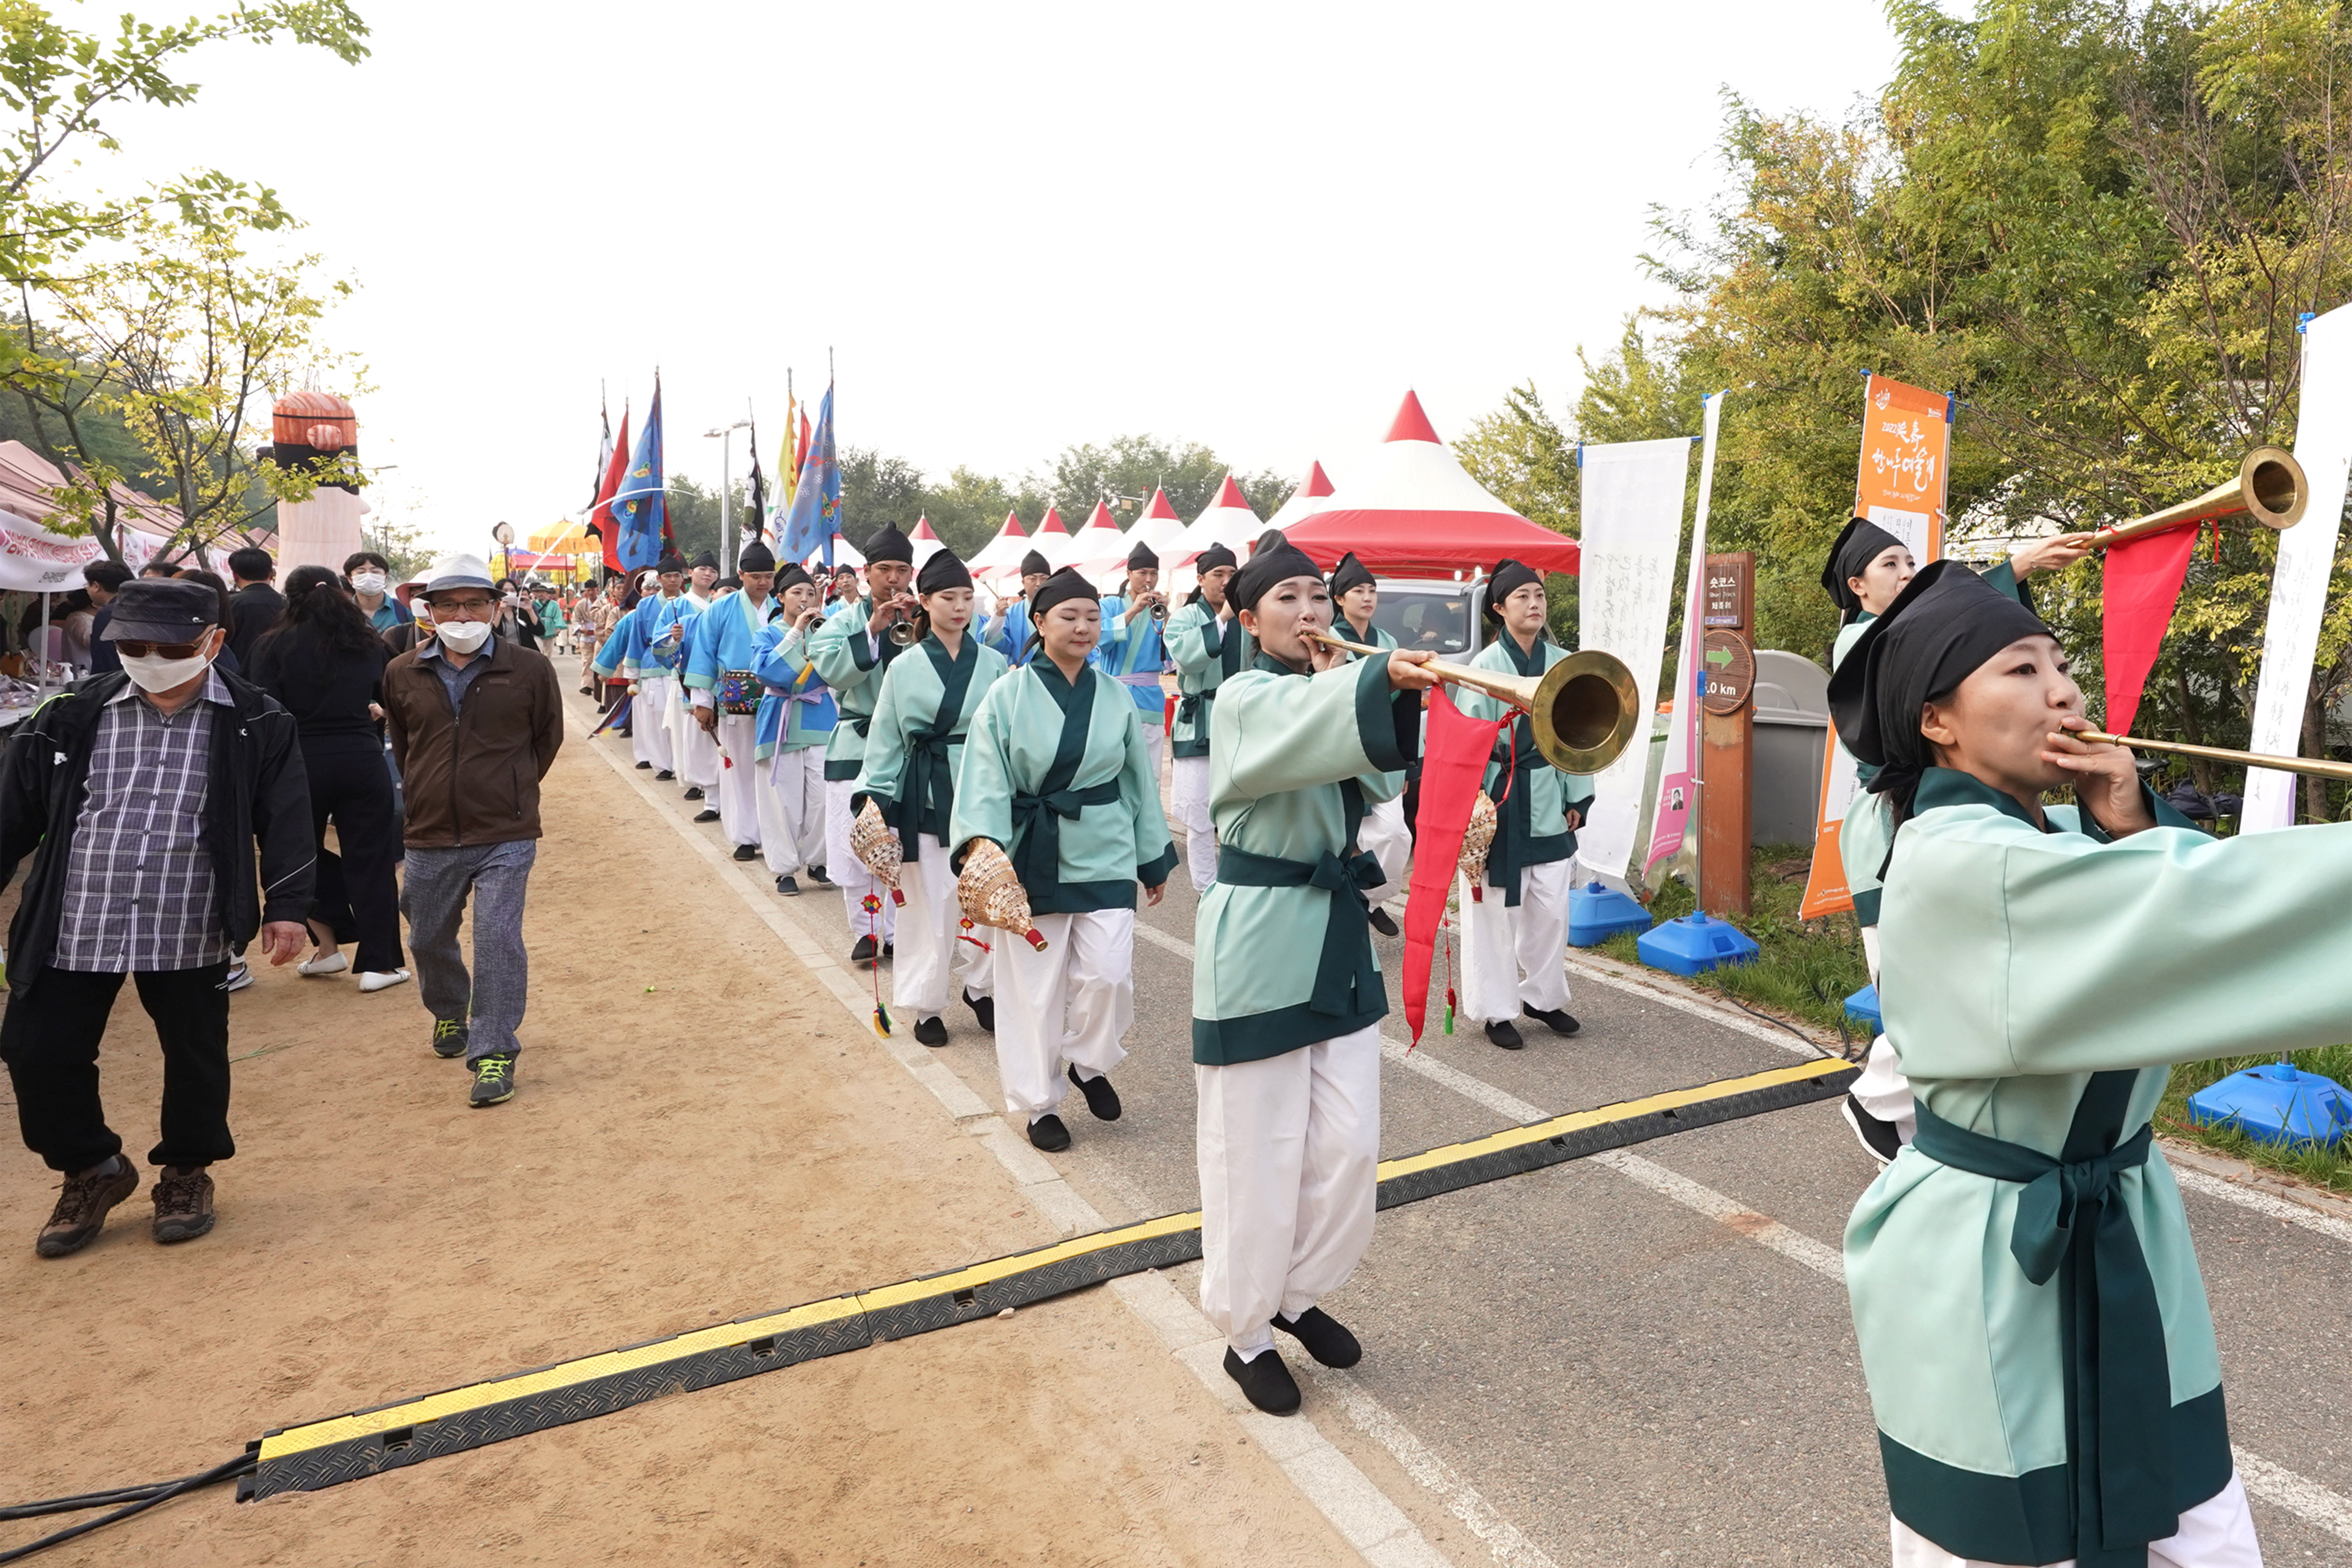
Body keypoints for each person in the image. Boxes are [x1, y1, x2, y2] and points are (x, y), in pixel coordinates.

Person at [1823, 558, 2337, 1568]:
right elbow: (2204, 911)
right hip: (1993, 1256)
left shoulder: (2045, 833)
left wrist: (2128, 814)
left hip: (2118, 1224)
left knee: (2191, 1509)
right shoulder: (1969, 858)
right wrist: (2132, 834)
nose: (2063, 692)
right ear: (1937, 720)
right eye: (2020, 671)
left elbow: (2149, 890)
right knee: (2016, 1537)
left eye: (2060, 666)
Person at [1190, 534, 1436, 1415]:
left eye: (1318, 598)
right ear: (1248, 620)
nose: (1309, 614)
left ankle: (1294, 1293)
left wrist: (1366, 685)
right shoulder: (1242, 697)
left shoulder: (1325, 690)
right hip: (1258, 937)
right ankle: (1246, 1333)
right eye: (1286, 600)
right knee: (1253, 1150)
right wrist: (1360, 684)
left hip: (1334, 931)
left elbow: (1379, 790)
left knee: (1349, 1145)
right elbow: (1300, 732)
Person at [0, 578, 313, 1256]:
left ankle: (187, 1173)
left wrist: (288, 907)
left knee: (194, 1054)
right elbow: (11, 811)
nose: (150, 660)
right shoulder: (68, 715)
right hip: (76, 916)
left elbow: (287, 817)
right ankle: (91, 1168)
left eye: (170, 648)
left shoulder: (257, 720)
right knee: (35, 1048)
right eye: (133, 646)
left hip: (189, 916)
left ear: (213, 642)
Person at [1819, 517, 2094, 1163]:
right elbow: (1948, 632)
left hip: (1931, 819)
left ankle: (1899, 1107)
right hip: (1895, 826)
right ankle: (1883, 1105)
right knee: (1918, 989)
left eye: (1909, 561)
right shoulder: (1862, 642)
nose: (1906, 572)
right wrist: (2017, 567)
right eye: (1890, 565)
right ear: (1857, 586)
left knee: (1955, 989)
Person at [950, 567, 1175, 1148]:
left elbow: (1138, 780)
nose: (1083, 627)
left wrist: (1152, 857)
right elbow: (983, 778)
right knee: (1034, 989)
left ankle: (1089, 1061)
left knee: (1109, 973)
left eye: (1092, 617)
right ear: (1040, 621)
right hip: (1033, 851)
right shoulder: (1007, 694)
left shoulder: (1116, 696)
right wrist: (983, 848)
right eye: (1069, 616)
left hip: (1105, 846)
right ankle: (1039, 1104)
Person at [381, 554, 563, 1108]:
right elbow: (406, 745)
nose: (463, 615)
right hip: (430, 830)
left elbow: (546, 739)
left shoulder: (528, 669)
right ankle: (448, 1010)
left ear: (495, 607)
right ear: (430, 612)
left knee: (498, 938)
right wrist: (429, 791)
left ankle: (493, 1050)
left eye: (474, 604)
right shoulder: (402, 671)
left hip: (506, 831)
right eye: (449, 605)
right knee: (426, 936)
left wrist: (509, 789)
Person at [854, 548, 1006, 1046]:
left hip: (982, 794)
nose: (960, 607)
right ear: (924, 602)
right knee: (928, 905)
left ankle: (981, 987)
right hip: (925, 795)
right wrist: (874, 799)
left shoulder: (996, 663)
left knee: (990, 897)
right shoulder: (904, 667)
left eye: (967, 597)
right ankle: (926, 1005)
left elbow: (1009, 736)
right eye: (948, 598)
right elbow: (885, 738)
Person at [1447, 559, 1592, 1051]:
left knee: (1550, 910)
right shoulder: (1482, 668)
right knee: (1494, 912)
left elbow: (1579, 736)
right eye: (1522, 597)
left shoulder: (1564, 662)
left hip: (1549, 794)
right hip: (1500, 800)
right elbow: (1468, 742)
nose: (1534, 604)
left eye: (1539, 595)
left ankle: (1544, 997)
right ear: (1499, 608)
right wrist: (1475, 807)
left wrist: (1577, 794)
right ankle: (1496, 1009)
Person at [248, 565, 407, 993]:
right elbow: (390, 696)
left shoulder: (271, 645)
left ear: (289, 597)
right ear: (341, 592)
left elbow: (263, 711)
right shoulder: (368, 642)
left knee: (298, 856)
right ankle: (380, 964)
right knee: (371, 860)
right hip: (362, 759)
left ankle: (329, 945)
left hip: (298, 764)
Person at [809, 527, 918, 964]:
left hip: (912, 748)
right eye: (884, 569)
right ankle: (868, 931)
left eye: (902, 570)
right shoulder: (840, 622)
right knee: (856, 841)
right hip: (857, 743)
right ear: (867, 573)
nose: (893, 579)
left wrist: (923, 627)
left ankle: (902, 931)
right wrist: (873, 629)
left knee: (907, 844)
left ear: (912, 574)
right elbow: (833, 672)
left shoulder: (926, 618)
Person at [1327, 552, 1409, 936]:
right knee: (1340, 838)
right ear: (1339, 598)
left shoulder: (1388, 641)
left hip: (1381, 749)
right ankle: (1344, 905)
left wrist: (1406, 762)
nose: (1367, 597)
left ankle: (1368, 900)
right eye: (1358, 591)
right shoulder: (1329, 637)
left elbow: (1403, 704)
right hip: (1340, 748)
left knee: (1396, 834)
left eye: (1372, 591)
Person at [687, 541, 785, 861]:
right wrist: (703, 702)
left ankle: (777, 835)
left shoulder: (782, 608)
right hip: (736, 702)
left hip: (778, 701)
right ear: (741, 575)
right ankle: (745, 837)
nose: (763, 583)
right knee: (740, 769)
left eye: (769, 576)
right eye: (756, 576)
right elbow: (703, 653)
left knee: (775, 770)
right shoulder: (720, 609)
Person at [753, 564, 835, 895]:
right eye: (797, 592)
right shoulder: (767, 634)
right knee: (782, 800)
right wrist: (796, 633)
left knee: (823, 797)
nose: (804, 599)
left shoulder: (826, 631)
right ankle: (784, 868)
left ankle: (819, 860)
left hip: (821, 718)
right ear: (781, 598)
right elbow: (766, 672)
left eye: (811, 593)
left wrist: (825, 635)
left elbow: (838, 670)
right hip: (780, 720)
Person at [1163, 543, 1240, 893]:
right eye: (1218, 574)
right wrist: (1222, 619)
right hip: (1198, 721)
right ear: (1200, 579)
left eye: (1232, 574)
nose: (1226, 581)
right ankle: (1206, 889)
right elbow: (1186, 658)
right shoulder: (1184, 617)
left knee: (1240, 805)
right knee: (1199, 813)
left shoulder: (1248, 618)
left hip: (1240, 720)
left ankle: (1236, 884)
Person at [593, 557, 687, 778]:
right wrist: (630, 674)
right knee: (654, 718)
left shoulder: (691, 602)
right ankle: (662, 764)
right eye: (667, 577)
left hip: (685, 665)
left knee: (682, 720)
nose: (672, 580)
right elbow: (633, 640)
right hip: (652, 667)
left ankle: (682, 764)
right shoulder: (643, 607)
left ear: (683, 578)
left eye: (677, 576)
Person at [1098, 541, 1173, 782]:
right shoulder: (1109, 605)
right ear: (1129, 574)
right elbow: (1099, 639)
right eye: (1142, 573)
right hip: (1112, 695)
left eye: (1154, 573)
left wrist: (1168, 617)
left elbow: (1173, 657)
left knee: (1149, 773)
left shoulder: (1158, 610)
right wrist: (1133, 611)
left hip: (1149, 699)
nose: (1149, 579)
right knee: (1112, 770)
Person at [666, 552, 723, 807]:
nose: (708, 574)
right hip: (688, 680)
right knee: (694, 738)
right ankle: (702, 788)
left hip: (723, 683)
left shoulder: (721, 606)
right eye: (703, 569)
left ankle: (719, 796)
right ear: (690, 573)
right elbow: (659, 645)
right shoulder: (677, 606)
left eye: (713, 571)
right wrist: (674, 639)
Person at [982, 549, 1053, 666]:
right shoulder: (1012, 614)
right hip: (1024, 673)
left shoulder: (1061, 609)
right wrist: (998, 617)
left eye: (1043, 578)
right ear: (1023, 583)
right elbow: (997, 645)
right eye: (1033, 579)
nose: (1038, 583)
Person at [224, 546, 284, 668]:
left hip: (235, 675)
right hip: (277, 674)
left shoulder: (229, 604)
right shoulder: (288, 604)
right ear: (272, 574)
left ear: (235, 576)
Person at [81, 561, 132, 676]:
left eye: (88, 585)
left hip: (115, 680)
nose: (87, 590)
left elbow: (103, 659)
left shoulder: (107, 614)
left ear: (96, 586)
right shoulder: (139, 608)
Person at [344, 551, 412, 636]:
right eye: (361, 572)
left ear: (386, 577)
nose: (369, 577)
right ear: (350, 579)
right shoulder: (341, 611)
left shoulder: (405, 610)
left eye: (375, 572)